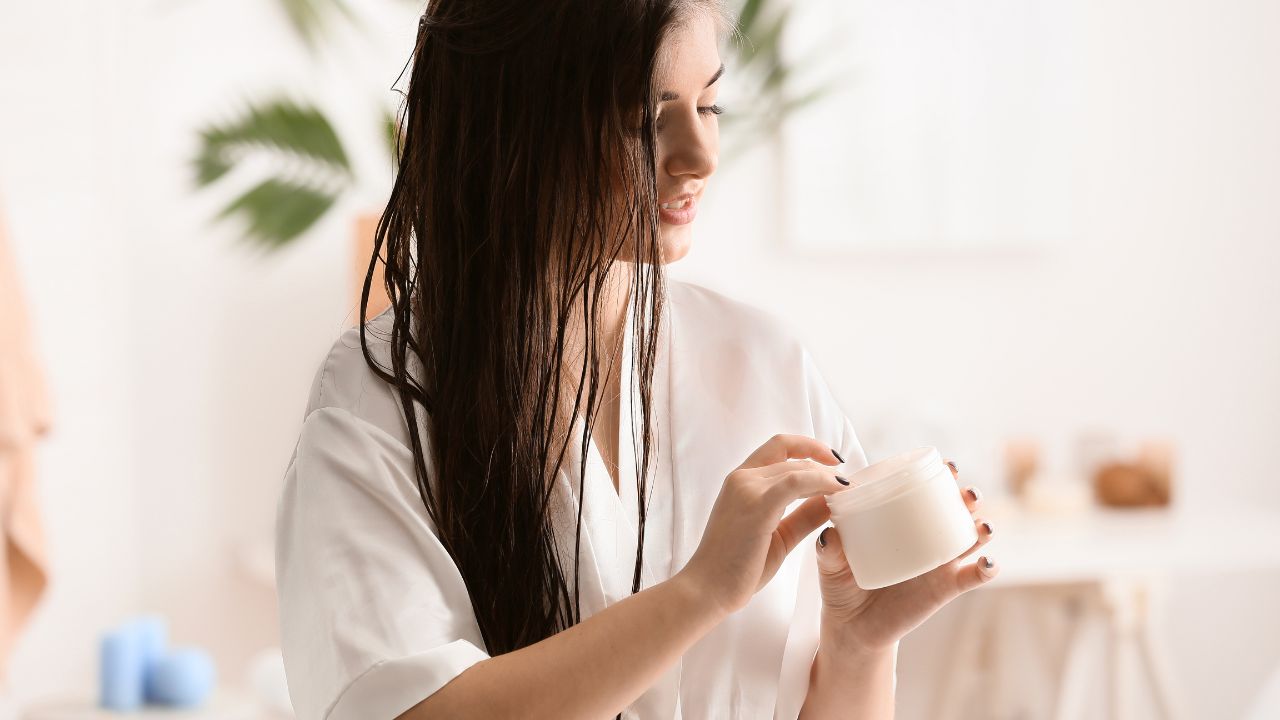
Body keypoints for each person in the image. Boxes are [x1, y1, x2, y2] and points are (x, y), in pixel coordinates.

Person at [274, 1, 999, 718]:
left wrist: (860, 646)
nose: (700, 156)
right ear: (516, 124)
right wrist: (701, 592)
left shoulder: (762, 361)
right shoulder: (380, 401)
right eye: (644, 119)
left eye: (709, 107)